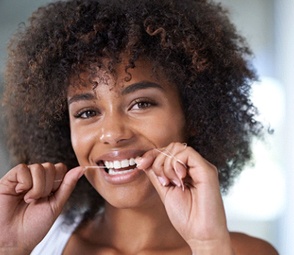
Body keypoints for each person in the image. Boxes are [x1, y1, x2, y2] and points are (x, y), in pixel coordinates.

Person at [0, 0, 278, 254]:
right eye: (87, 112)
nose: (113, 133)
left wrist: (208, 245)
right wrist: (10, 248)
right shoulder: (35, 244)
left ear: (193, 114)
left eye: (141, 104)